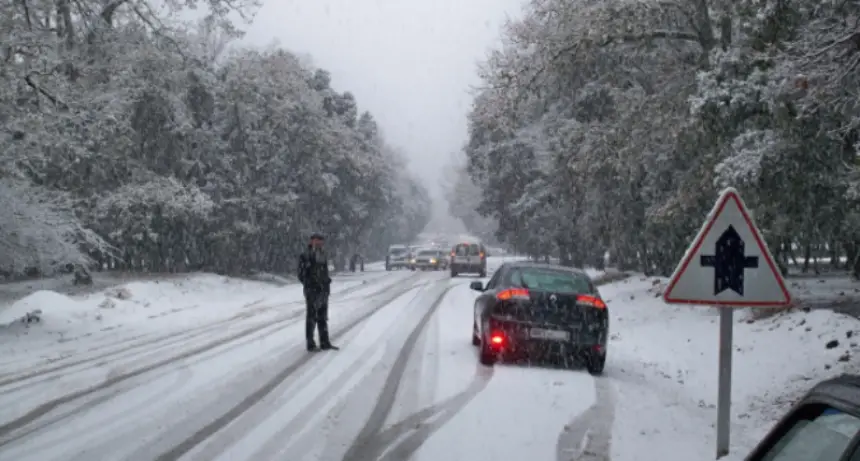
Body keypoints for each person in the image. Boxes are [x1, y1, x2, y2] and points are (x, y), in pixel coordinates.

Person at [298, 233, 337, 351]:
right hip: (312, 291)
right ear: (311, 242)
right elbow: (301, 274)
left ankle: (325, 342)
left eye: (321, 241)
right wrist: (309, 284)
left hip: (323, 291)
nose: (319, 243)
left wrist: (326, 282)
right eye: (316, 241)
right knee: (311, 318)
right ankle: (310, 344)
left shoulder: (323, 255)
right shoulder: (305, 255)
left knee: (323, 318)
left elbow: (326, 271)